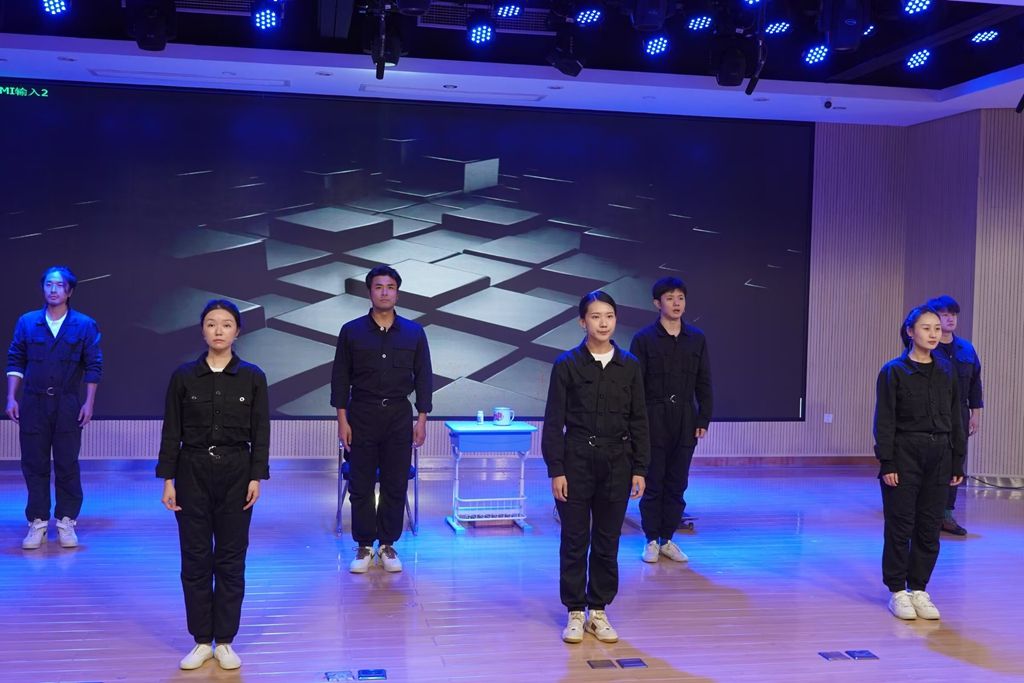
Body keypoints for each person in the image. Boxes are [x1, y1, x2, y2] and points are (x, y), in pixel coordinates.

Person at [157, 299, 270, 671]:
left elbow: (261, 432)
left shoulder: (253, 376)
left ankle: (225, 641)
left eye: (226, 324)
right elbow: (171, 431)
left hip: (237, 471)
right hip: (191, 471)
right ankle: (201, 640)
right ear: (202, 330)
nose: (218, 330)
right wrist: (168, 480)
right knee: (195, 558)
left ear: (237, 331)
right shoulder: (183, 376)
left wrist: (256, 476)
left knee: (231, 558)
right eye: (211, 323)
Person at [542, 290, 650, 644]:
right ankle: (575, 611)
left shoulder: (630, 365)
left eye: (609, 316)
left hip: (618, 463)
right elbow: (554, 421)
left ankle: (598, 610)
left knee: (607, 539)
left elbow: (639, 420)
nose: (603, 323)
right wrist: (556, 470)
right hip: (576, 461)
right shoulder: (567, 364)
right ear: (582, 321)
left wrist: (640, 468)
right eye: (595, 316)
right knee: (574, 539)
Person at [331, 264, 432, 574]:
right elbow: (340, 378)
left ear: (397, 292)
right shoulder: (352, 331)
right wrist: (342, 420)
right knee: (360, 483)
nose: (385, 292)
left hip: (399, 416)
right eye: (378, 287)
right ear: (370, 292)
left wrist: (422, 419)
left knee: (395, 482)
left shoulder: (414, 332)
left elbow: (424, 377)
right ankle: (364, 545)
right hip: (361, 414)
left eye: (390, 287)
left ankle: (388, 544)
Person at [873, 305, 965, 621]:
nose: (933, 334)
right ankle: (897, 591)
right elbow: (884, 420)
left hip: (940, 454)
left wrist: (957, 460)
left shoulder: (947, 371)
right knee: (900, 524)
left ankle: (919, 588)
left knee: (929, 526)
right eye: (926, 328)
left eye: (937, 328)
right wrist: (887, 462)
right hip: (905, 453)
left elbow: (956, 417)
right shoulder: (893, 371)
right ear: (910, 332)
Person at [5, 266, 102, 550]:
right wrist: (11, 397)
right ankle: (37, 521)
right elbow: (15, 360)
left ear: (69, 291)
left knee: (67, 463)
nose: (53, 290)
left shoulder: (84, 325)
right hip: (33, 403)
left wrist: (89, 402)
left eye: (59, 285)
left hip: (67, 403)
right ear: (43, 288)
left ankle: (66, 521)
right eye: (49, 284)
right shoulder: (27, 322)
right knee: (33, 463)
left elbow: (93, 366)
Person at [629, 276, 712, 563]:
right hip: (653, 417)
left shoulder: (697, 338)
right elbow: (635, 385)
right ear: (657, 303)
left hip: (685, 419)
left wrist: (703, 417)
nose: (676, 303)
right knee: (653, 481)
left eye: (681, 298)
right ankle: (651, 539)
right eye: (669, 298)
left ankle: (668, 539)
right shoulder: (643, 339)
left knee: (678, 482)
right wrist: (635, 424)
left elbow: (704, 381)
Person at [925, 295, 983, 536]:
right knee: (932, 461)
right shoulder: (926, 347)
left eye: (954, 315)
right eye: (945, 315)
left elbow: (975, 383)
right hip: (932, 414)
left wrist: (975, 414)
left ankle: (947, 515)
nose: (950, 319)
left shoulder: (966, 348)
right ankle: (927, 513)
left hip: (959, 413)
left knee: (955, 462)